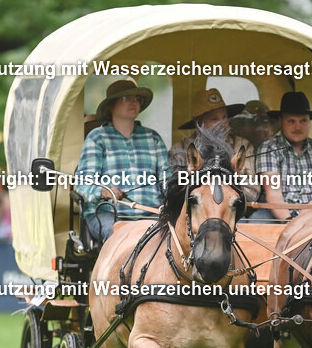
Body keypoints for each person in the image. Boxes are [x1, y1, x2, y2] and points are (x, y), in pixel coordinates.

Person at [74, 79, 167, 243]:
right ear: (111, 106)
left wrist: (173, 198)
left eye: (137, 99)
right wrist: (104, 191)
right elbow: (82, 185)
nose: (133, 102)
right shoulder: (97, 138)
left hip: (151, 215)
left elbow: (167, 180)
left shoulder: (153, 138)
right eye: (126, 98)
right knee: (122, 238)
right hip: (108, 214)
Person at [169, 88, 265, 216]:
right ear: (198, 123)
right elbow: (176, 192)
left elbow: (252, 191)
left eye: (224, 117)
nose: (222, 124)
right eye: (214, 119)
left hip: (236, 215)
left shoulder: (243, 146)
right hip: (192, 217)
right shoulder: (179, 149)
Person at [256, 91, 312, 219]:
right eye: (291, 121)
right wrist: (289, 222)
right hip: (275, 212)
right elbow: (273, 193)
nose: (298, 127)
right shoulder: (268, 148)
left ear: (310, 122)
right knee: (253, 227)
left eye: (303, 121)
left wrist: (311, 208)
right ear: (280, 121)